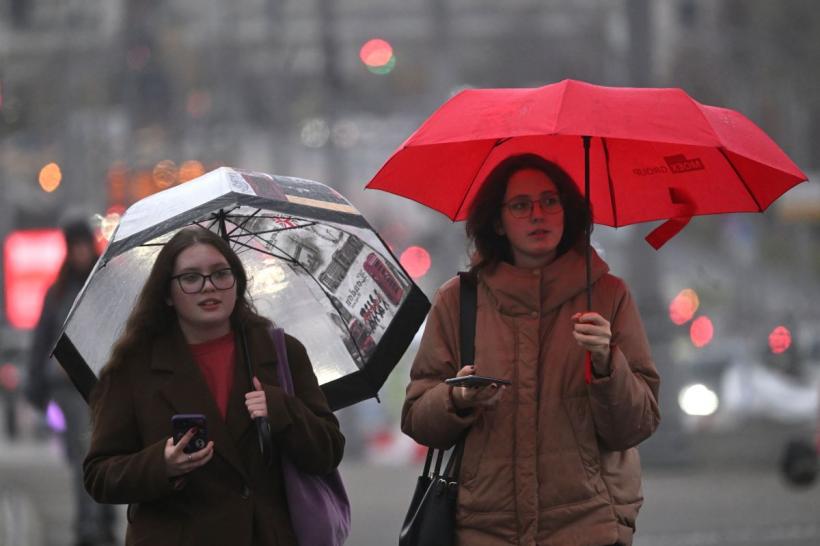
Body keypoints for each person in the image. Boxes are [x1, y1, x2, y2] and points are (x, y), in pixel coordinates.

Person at [401, 154, 661, 546]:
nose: (538, 214)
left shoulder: (608, 296)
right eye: (521, 205)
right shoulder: (458, 301)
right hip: (485, 531)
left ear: (567, 210)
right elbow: (417, 418)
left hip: (585, 529)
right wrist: (456, 397)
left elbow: (635, 425)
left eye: (550, 201)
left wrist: (608, 364)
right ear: (497, 221)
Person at [83, 227, 345, 546]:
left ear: (237, 282)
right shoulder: (134, 368)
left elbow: (328, 451)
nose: (209, 287)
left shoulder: (281, 353)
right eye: (191, 278)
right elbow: (99, 475)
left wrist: (281, 410)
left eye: (221, 274)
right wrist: (161, 465)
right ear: (167, 293)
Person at [25, 219, 117, 546]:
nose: (79, 252)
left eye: (82, 245)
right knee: (82, 455)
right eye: (73, 246)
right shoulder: (59, 290)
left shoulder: (104, 284)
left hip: (101, 385)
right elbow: (43, 340)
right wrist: (37, 382)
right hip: (69, 389)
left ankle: (97, 521)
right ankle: (90, 524)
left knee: (96, 454)